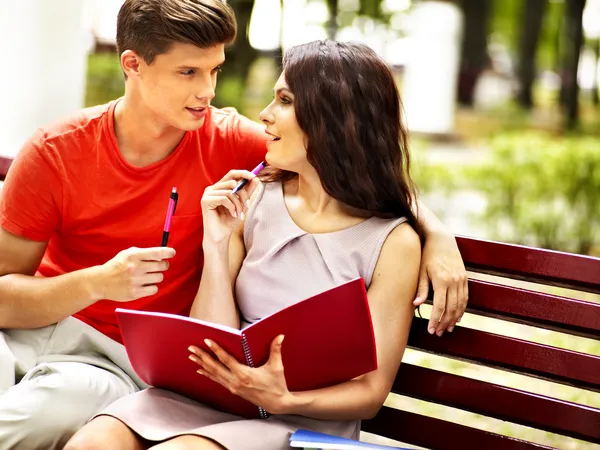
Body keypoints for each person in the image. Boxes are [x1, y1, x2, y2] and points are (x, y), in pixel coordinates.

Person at [0, 1, 466, 449]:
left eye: (215, 70)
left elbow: (349, 159)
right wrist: (101, 282)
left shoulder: (238, 145)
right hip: (38, 334)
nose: (208, 91)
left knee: (46, 419)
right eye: (189, 72)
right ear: (133, 64)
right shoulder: (56, 150)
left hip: (123, 366)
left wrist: (436, 233)